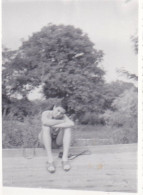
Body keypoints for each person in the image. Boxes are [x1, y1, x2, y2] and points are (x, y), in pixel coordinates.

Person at [38, 104, 74, 173]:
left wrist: (53, 125)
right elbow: (45, 122)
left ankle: (64, 159)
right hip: (44, 142)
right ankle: (50, 160)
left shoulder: (63, 116)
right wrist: (62, 122)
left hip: (57, 142)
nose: (58, 114)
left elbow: (71, 124)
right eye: (58, 110)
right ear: (54, 107)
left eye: (61, 113)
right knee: (46, 127)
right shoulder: (46, 113)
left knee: (68, 128)